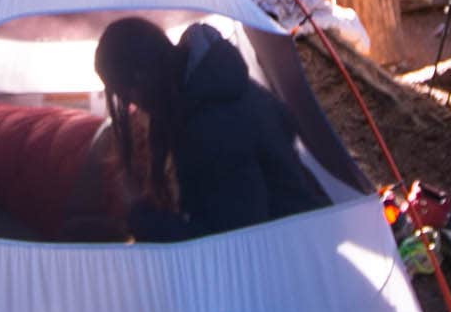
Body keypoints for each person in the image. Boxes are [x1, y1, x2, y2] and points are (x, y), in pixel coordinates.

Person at [93, 16, 323, 240]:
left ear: (140, 77)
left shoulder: (213, 124)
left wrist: (140, 217)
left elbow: (227, 241)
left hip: (289, 260)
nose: (134, 105)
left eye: (126, 95)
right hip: (305, 242)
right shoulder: (214, 87)